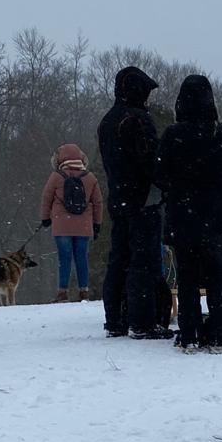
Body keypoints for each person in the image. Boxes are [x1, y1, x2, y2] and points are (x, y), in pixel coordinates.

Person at [156, 74, 222, 352]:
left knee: (187, 278)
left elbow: (159, 174)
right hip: (215, 215)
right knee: (218, 278)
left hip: (183, 215)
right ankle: (218, 332)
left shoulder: (173, 135)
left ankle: (189, 333)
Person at [99, 66, 171, 339]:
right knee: (145, 261)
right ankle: (142, 321)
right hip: (143, 200)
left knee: (118, 259)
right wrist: (166, 184)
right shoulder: (138, 120)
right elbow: (151, 162)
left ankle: (115, 319)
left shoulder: (108, 121)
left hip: (118, 198)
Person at [40, 143, 103, 302]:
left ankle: (63, 292)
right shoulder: (90, 177)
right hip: (84, 226)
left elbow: (46, 198)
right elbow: (98, 203)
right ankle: (84, 291)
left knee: (64, 258)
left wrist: (45, 218)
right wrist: (97, 223)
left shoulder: (56, 176)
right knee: (81, 258)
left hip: (62, 225)